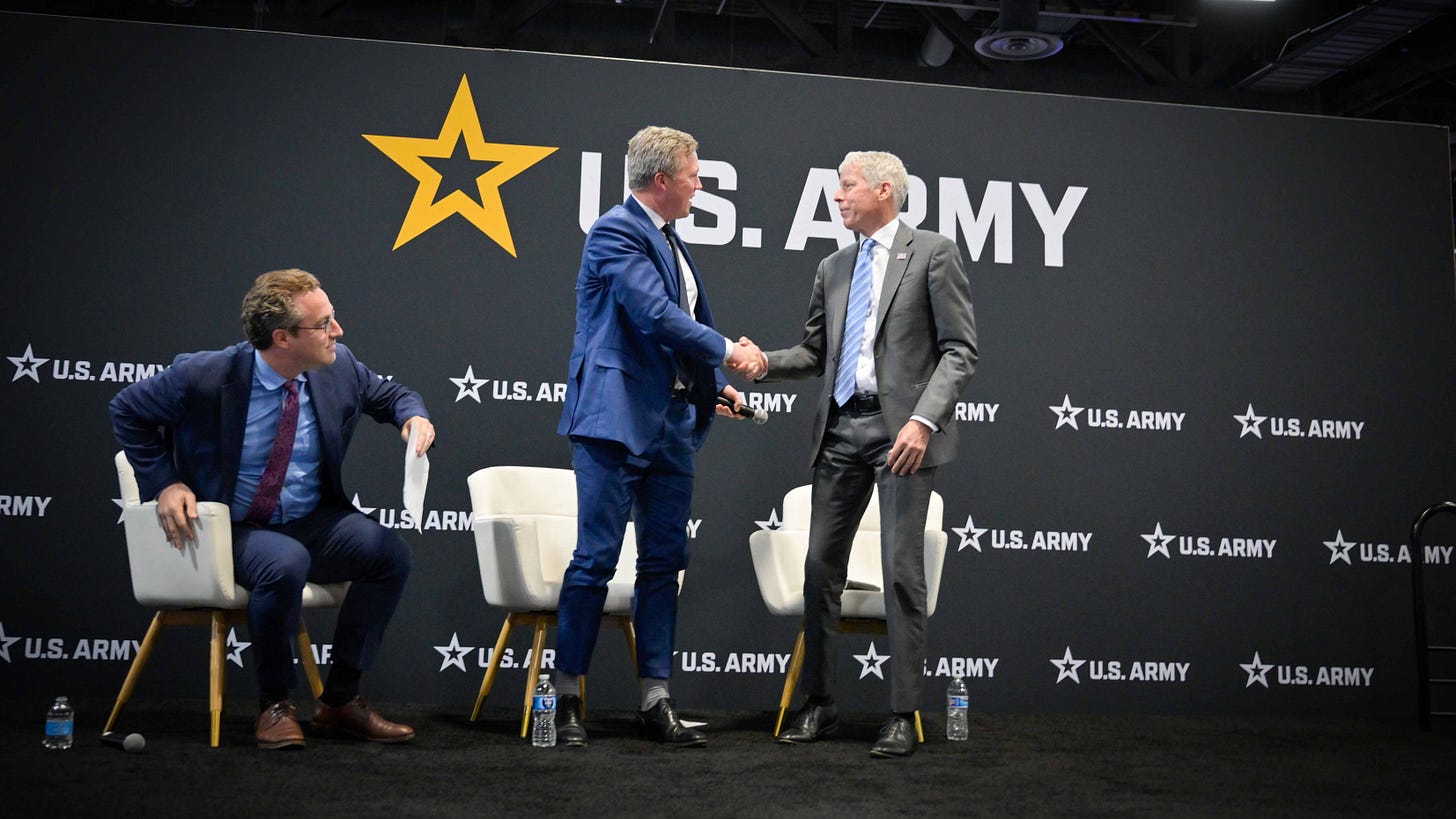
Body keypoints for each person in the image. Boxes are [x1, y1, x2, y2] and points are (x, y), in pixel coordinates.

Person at [108, 268, 436, 750]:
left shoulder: (339, 366)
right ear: (282, 338)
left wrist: (414, 417)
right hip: (228, 527)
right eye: (324, 324)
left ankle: (340, 700)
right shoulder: (205, 375)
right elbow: (127, 410)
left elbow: (392, 396)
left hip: (307, 519)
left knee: (388, 554)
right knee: (284, 563)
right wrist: (165, 483)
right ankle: (275, 705)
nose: (338, 331)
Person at [754, 151, 978, 758]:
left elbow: (959, 350)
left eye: (846, 187)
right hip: (840, 432)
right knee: (820, 569)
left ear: (884, 190)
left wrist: (923, 422)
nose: (837, 197)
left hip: (901, 434)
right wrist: (762, 363)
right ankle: (820, 705)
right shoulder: (832, 265)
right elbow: (813, 352)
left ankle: (902, 713)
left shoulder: (933, 253)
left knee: (903, 572)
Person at [554, 125, 763, 748]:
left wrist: (710, 387)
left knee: (665, 561)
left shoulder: (671, 241)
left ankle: (656, 700)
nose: (702, 185)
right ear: (663, 180)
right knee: (594, 561)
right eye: (696, 175)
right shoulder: (616, 230)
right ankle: (565, 701)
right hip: (613, 422)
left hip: (671, 425)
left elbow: (675, 332)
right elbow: (653, 315)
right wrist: (729, 353)